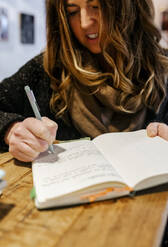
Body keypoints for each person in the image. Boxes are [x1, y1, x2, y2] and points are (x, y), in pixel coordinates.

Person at [0, 0, 168, 162]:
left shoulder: (163, 67)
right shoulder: (48, 68)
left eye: (97, 6)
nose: (85, 23)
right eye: (72, 12)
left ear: (129, 7)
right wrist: (11, 129)